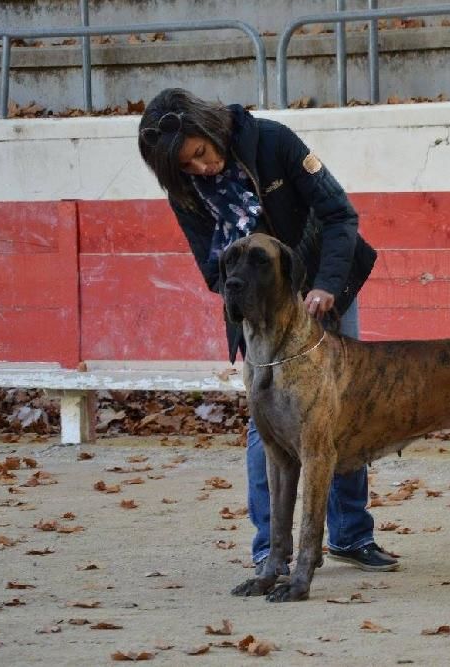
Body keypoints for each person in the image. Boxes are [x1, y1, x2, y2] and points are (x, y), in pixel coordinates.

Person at [137, 88, 398, 580]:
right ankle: (270, 551)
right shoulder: (184, 191)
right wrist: (245, 305)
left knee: (342, 406)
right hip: (258, 309)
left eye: (200, 153)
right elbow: (212, 268)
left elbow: (339, 214)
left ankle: (350, 535)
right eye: (186, 167)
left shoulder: (275, 142)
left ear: (210, 128)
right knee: (267, 423)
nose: (201, 169)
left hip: (323, 284)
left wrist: (325, 285)